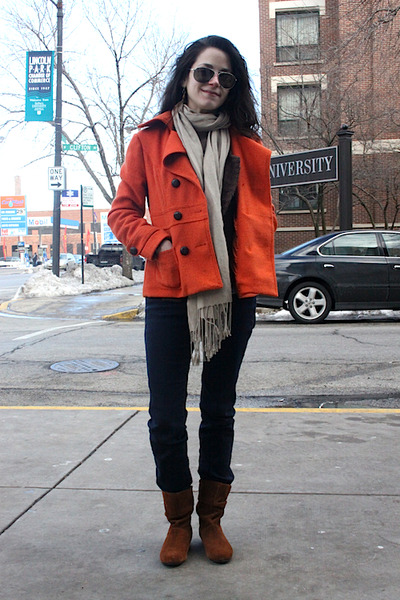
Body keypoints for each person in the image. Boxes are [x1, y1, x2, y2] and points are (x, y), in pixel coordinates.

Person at [108, 35, 277, 567]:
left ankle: (212, 519)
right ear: (185, 77)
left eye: (225, 77)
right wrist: (157, 243)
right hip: (170, 291)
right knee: (165, 416)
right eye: (204, 72)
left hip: (231, 294)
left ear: (233, 88)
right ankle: (178, 521)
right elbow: (122, 212)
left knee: (219, 411)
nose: (213, 83)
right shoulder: (150, 140)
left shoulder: (247, 147)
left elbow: (258, 219)